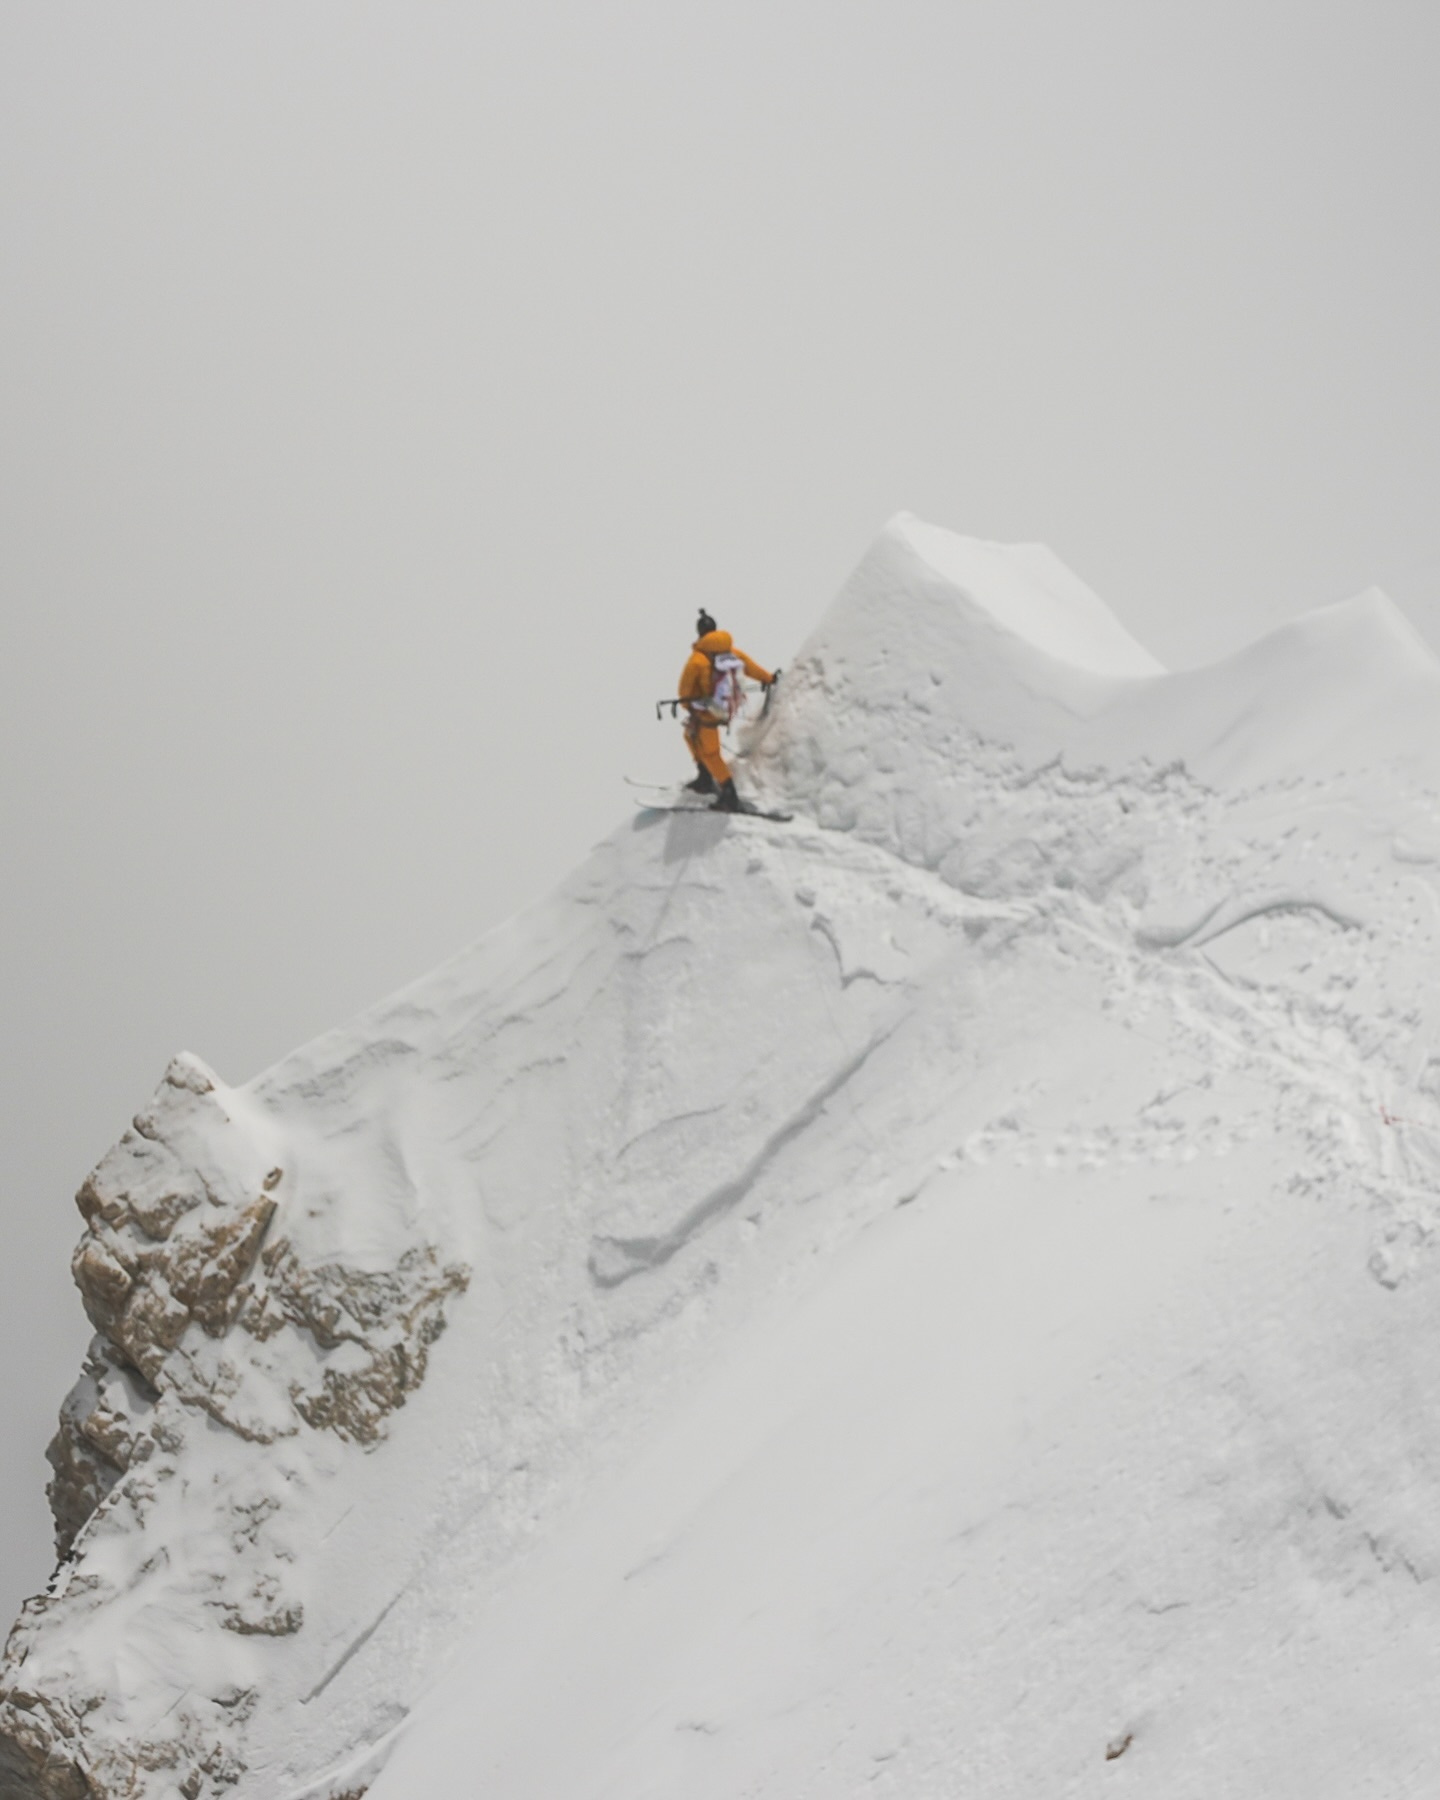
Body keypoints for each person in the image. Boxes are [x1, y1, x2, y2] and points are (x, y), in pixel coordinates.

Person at [677, 609, 775, 811]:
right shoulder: (730, 653)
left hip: (705, 713)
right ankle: (704, 777)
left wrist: (688, 706)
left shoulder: (697, 659)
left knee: (710, 752)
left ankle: (728, 793)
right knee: (689, 736)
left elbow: (684, 689)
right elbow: (750, 667)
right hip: (725, 708)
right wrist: (769, 679)